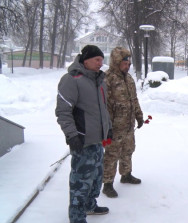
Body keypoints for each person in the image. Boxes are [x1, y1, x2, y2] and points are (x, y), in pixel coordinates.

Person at [55, 45, 112, 223]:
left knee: (96, 178)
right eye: (97, 60)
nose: (100, 63)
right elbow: (63, 112)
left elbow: (103, 109)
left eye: (102, 60)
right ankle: (77, 217)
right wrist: (72, 135)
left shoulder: (99, 80)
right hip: (82, 140)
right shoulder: (71, 80)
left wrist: (108, 128)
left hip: (97, 141)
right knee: (80, 182)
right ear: (85, 59)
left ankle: (90, 205)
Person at [102, 47, 144, 198]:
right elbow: (104, 105)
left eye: (129, 64)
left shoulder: (129, 79)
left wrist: (139, 115)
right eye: (124, 64)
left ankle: (126, 174)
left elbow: (134, 100)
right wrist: (107, 127)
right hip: (114, 126)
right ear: (116, 63)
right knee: (112, 155)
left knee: (128, 150)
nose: (127, 67)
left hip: (128, 125)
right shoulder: (108, 79)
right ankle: (107, 184)